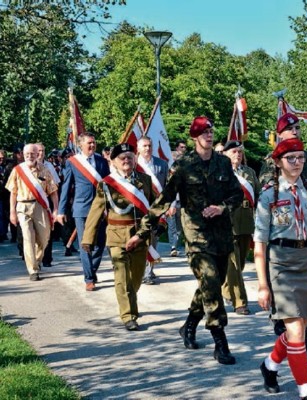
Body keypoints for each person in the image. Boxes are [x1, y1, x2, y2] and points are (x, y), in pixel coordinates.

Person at [125, 116, 243, 365]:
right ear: (194, 137)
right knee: (210, 280)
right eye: (203, 132)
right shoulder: (183, 166)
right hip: (197, 236)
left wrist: (221, 208)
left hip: (221, 235)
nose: (209, 136)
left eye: (211, 131)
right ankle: (220, 340)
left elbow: (236, 194)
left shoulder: (223, 163)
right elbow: (163, 201)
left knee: (210, 285)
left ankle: (189, 326)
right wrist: (142, 233)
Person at [255, 138, 307, 400]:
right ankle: (306, 391)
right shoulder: (269, 195)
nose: (297, 163)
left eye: (300, 157)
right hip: (281, 264)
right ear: (278, 162)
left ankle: (270, 365)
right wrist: (263, 285)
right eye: (290, 158)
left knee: (298, 327)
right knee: (296, 331)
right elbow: (260, 243)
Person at [259, 113, 307, 350]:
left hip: (306, 229)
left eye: (297, 127)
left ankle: (298, 333)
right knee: (287, 303)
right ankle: (286, 327)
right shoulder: (270, 161)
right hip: (280, 230)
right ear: (280, 133)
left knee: (303, 307)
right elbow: (266, 191)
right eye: (290, 128)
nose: (295, 131)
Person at [82, 143, 157, 331]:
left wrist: (159, 224)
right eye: (122, 158)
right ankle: (128, 315)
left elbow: (156, 206)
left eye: (130, 157)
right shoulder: (107, 183)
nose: (126, 160)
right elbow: (96, 211)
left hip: (140, 236)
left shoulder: (145, 181)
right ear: (114, 162)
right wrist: (88, 238)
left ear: (135, 159)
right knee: (121, 277)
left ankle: (130, 301)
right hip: (116, 236)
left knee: (136, 278)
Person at [56, 133, 110, 291]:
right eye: (89, 143)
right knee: (85, 244)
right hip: (82, 209)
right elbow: (66, 188)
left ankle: (91, 269)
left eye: (94, 143)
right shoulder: (73, 163)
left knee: (100, 244)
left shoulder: (101, 161)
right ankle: (89, 278)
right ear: (80, 145)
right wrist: (61, 210)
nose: (92, 146)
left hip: (100, 209)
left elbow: (108, 184)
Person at [4, 144, 58, 281]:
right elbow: (13, 193)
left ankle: (36, 260)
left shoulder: (45, 170)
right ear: (23, 154)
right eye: (27, 153)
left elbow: (53, 192)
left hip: (40, 206)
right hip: (23, 207)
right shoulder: (18, 170)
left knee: (44, 238)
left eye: (32, 153)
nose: (29, 156)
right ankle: (33, 270)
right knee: (28, 237)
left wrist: (56, 210)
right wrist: (12, 212)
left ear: (37, 154)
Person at [221, 140, 260, 316]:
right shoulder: (220, 173)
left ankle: (226, 288)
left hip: (246, 222)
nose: (238, 154)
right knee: (234, 264)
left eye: (239, 152)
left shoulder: (249, 172)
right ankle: (240, 302)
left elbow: (258, 196)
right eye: (234, 151)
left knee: (241, 262)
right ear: (225, 154)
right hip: (227, 222)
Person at [135, 136, 169, 285]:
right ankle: (140, 269)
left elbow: (167, 187)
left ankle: (149, 272)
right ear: (138, 148)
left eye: (149, 145)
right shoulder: (133, 164)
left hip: (156, 209)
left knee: (153, 239)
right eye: (144, 146)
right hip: (139, 208)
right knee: (140, 239)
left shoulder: (162, 164)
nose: (147, 148)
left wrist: (170, 205)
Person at [35, 143, 60, 269]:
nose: (40, 153)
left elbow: (55, 186)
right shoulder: (26, 167)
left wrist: (56, 207)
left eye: (43, 151)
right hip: (32, 202)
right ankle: (36, 258)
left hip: (46, 201)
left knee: (47, 231)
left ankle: (47, 258)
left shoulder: (49, 166)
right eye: (38, 151)